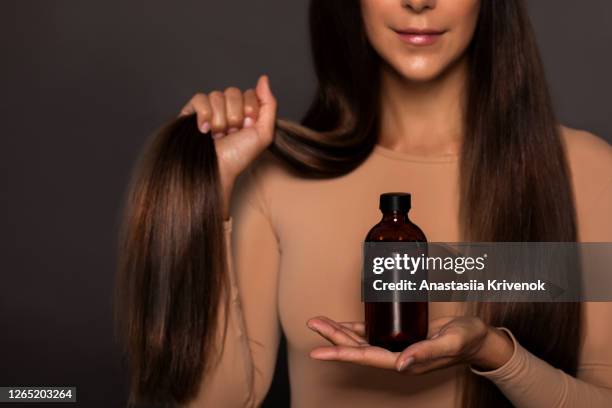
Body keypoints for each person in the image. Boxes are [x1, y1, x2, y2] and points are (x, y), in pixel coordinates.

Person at [116, 0, 612, 407]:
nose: (419, 2)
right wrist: (212, 186)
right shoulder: (275, 177)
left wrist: (494, 353)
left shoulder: (583, 169)